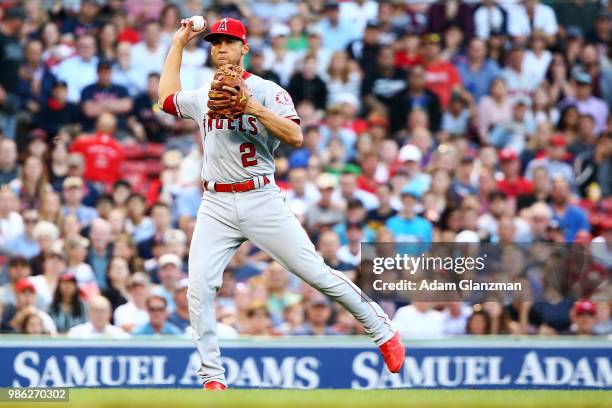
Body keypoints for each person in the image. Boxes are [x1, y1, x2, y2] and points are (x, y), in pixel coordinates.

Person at [157, 17, 404, 390]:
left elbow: (296, 136)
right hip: (216, 202)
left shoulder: (268, 91)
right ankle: (212, 378)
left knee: (315, 273)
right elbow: (165, 100)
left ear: (245, 48)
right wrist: (177, 44)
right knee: (199, 287)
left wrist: (252, 107)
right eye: (215, 42)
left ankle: (380, 327)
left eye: (229, 41)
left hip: (260, 197)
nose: (221, 48)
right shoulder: (205, 94)